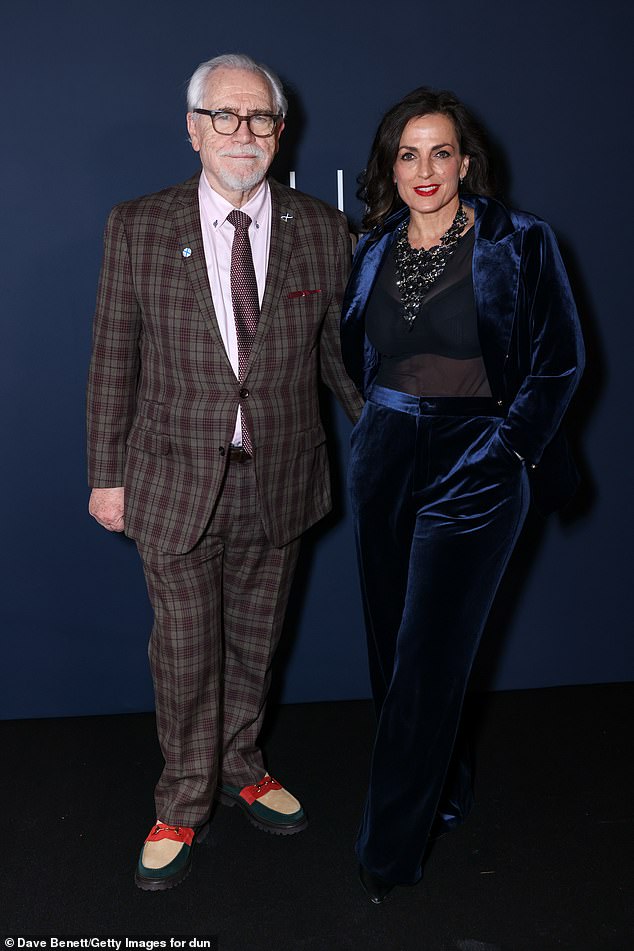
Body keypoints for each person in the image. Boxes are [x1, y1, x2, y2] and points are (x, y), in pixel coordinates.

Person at [87, 52, 363, 891]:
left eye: (260, 119)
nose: (242, 134)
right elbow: (112, 359)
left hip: (281, 477)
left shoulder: (323, 227)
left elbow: (339, 360)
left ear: (280, 133)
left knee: (254, 644)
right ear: (194, 129)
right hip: (170, 483)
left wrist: (401, 434)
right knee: (182, 652)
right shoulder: (136, 224)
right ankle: (183, 799)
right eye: (224, 117)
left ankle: (245, 762)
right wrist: (106, 474)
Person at [340, 86, 584, 902]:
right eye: (408, 153)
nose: (425, 168)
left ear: (466, 161)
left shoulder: (521, 242)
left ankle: (388, 849)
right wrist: (370, 426)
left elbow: (560, 362)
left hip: (476, 457)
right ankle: (442, 789)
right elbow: (351, 352)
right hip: (384, 454)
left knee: (431, 657)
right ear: (390, 166)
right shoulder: (373, 243)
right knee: (392, 647)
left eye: (440, 151)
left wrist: (508, 448)